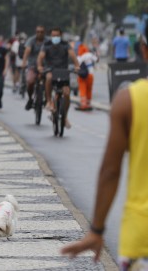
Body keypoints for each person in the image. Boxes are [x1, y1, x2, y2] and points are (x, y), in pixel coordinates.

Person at [61, 24, 148, 267]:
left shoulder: (128, 100)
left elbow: (110, 171)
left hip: (141, 235)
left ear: (143, 50)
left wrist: (96, 230)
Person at [37, 27, 80, 129]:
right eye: (53, 35)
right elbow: (41, 57)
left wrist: (77, 65)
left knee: (66, 93)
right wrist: (39, 66)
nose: (55, 37)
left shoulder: (65, 45)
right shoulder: (47, 45)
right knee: (48, 77)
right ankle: (49, 101)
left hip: (63, 72)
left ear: (60, 35)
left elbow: (73, 55)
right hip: (50, 70)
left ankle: (65, 116)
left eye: (57, 35)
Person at [22, 26, 47, 111]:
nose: (39, 33)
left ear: (44, 32)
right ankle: (30, 99)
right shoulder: (31, 40)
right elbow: (27, 51)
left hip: (45, 66)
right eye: (38, 32)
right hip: (33, 65)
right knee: (30, 81)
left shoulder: (47, 41)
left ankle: (47, 98)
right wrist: (24, 62)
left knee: (49, 80)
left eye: (41, 32)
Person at [76, 43, 98, 111]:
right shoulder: (90, 55)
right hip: (90, 75)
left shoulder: (79, 57)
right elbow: (97, 60)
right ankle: (88, 104)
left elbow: (77, 65)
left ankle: (83, 104)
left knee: (82, 89)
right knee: (89, 89)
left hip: (82, 76)